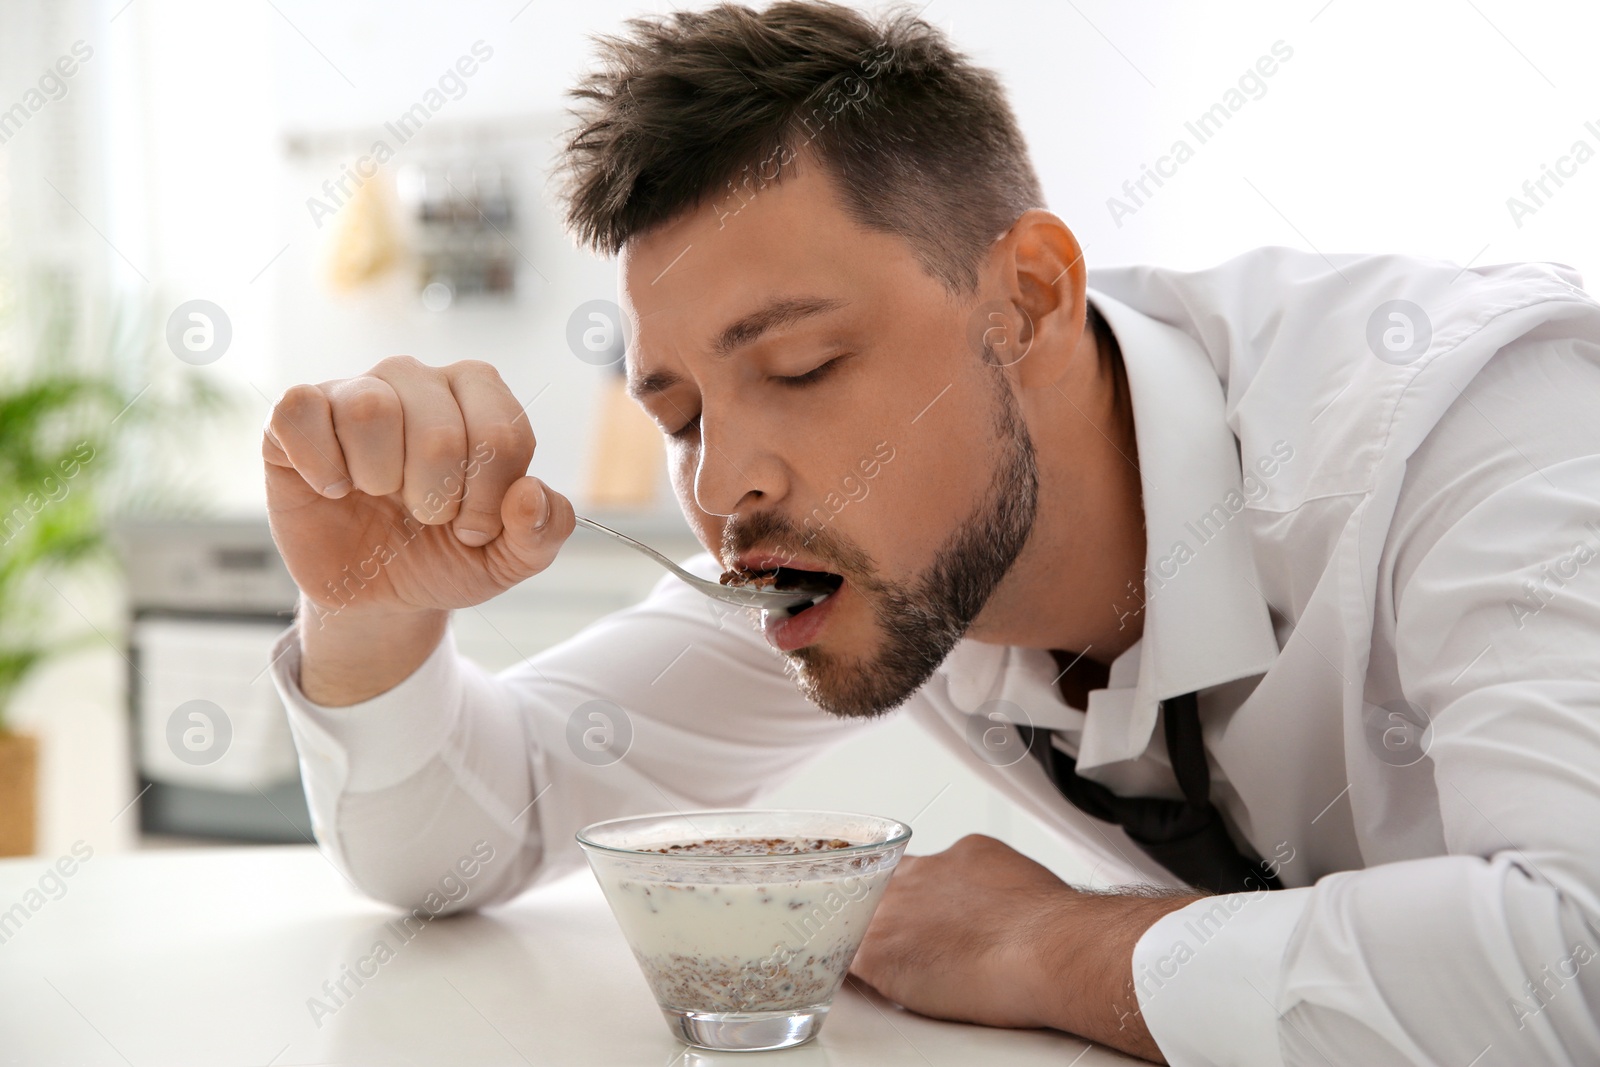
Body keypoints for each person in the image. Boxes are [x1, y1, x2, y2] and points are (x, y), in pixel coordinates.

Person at [264, 3, 1600, 1064]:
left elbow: (1577, 965)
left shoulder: (1485, 421)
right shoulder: (866, 559)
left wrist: (1053, 949)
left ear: (1024, 296)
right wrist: (372, 608)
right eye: (678, 414)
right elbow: (459, 844)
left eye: (796, 368)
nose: (725, 481)